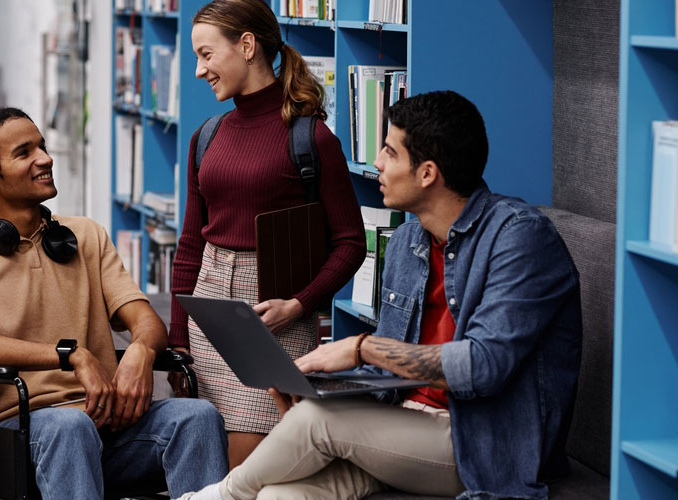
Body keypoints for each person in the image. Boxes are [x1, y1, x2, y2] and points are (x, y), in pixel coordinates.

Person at [176, 90, 583, 500]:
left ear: (427, 173)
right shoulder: (407, 242)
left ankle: (219, 496)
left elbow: (484, 365)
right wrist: (318, 386)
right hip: (400, 427)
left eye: (390, 151)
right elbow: (391, 374)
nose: (377, 163)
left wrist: (360, 348)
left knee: (317, 423)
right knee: (281, 495)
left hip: (481, 444)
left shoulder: (520, 238)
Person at [0, 107, 228, 500]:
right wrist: (72, 356)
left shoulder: (86, 235)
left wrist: (139, 352)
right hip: (13, 435)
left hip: (107, 426)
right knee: (70, 427)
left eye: (43, 147)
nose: (45, 159)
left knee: (197, 417)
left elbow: (145, 320)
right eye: (24, 152)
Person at [169, 0, 367, 468]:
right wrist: (178, 342)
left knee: (248, 471)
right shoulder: (207, 135)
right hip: (207, 315)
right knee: (203, 461)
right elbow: (190, 243)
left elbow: (351, 243)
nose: (199, 70)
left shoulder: (312, 139)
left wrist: (299, 305)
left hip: (274, 321)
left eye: (206, 54)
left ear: (247, 45)